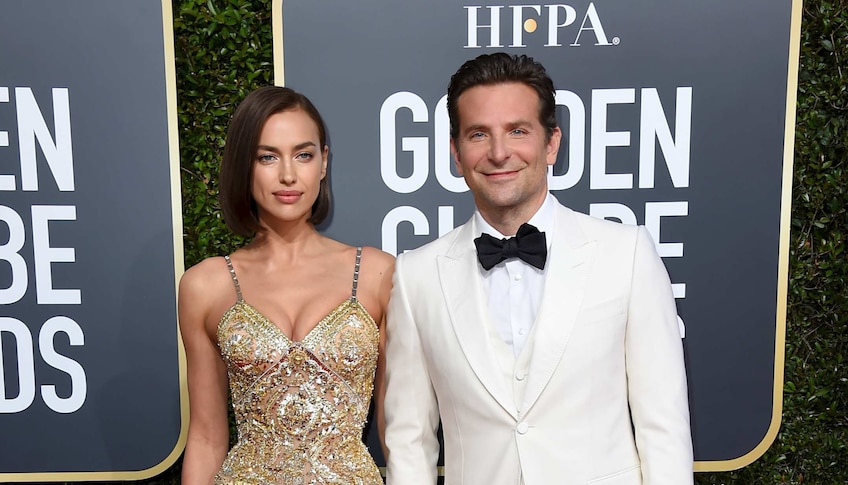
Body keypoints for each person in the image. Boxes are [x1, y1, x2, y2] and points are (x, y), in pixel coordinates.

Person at [384, 53, 693, 484]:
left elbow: (664, 428)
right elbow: (409, 439)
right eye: (478, 134)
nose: (498, 152)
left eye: (517, 130)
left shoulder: (627, 254)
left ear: (551, 143)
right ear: (455, 152)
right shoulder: (416, 275)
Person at [178, 86, 393, 484]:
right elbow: (207, 437)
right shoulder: (205, 285)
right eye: (267, 157)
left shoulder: (378, 274)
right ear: (245, 165)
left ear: (324, 162)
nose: (289, 175)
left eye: (303, 155)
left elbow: (397, 431)